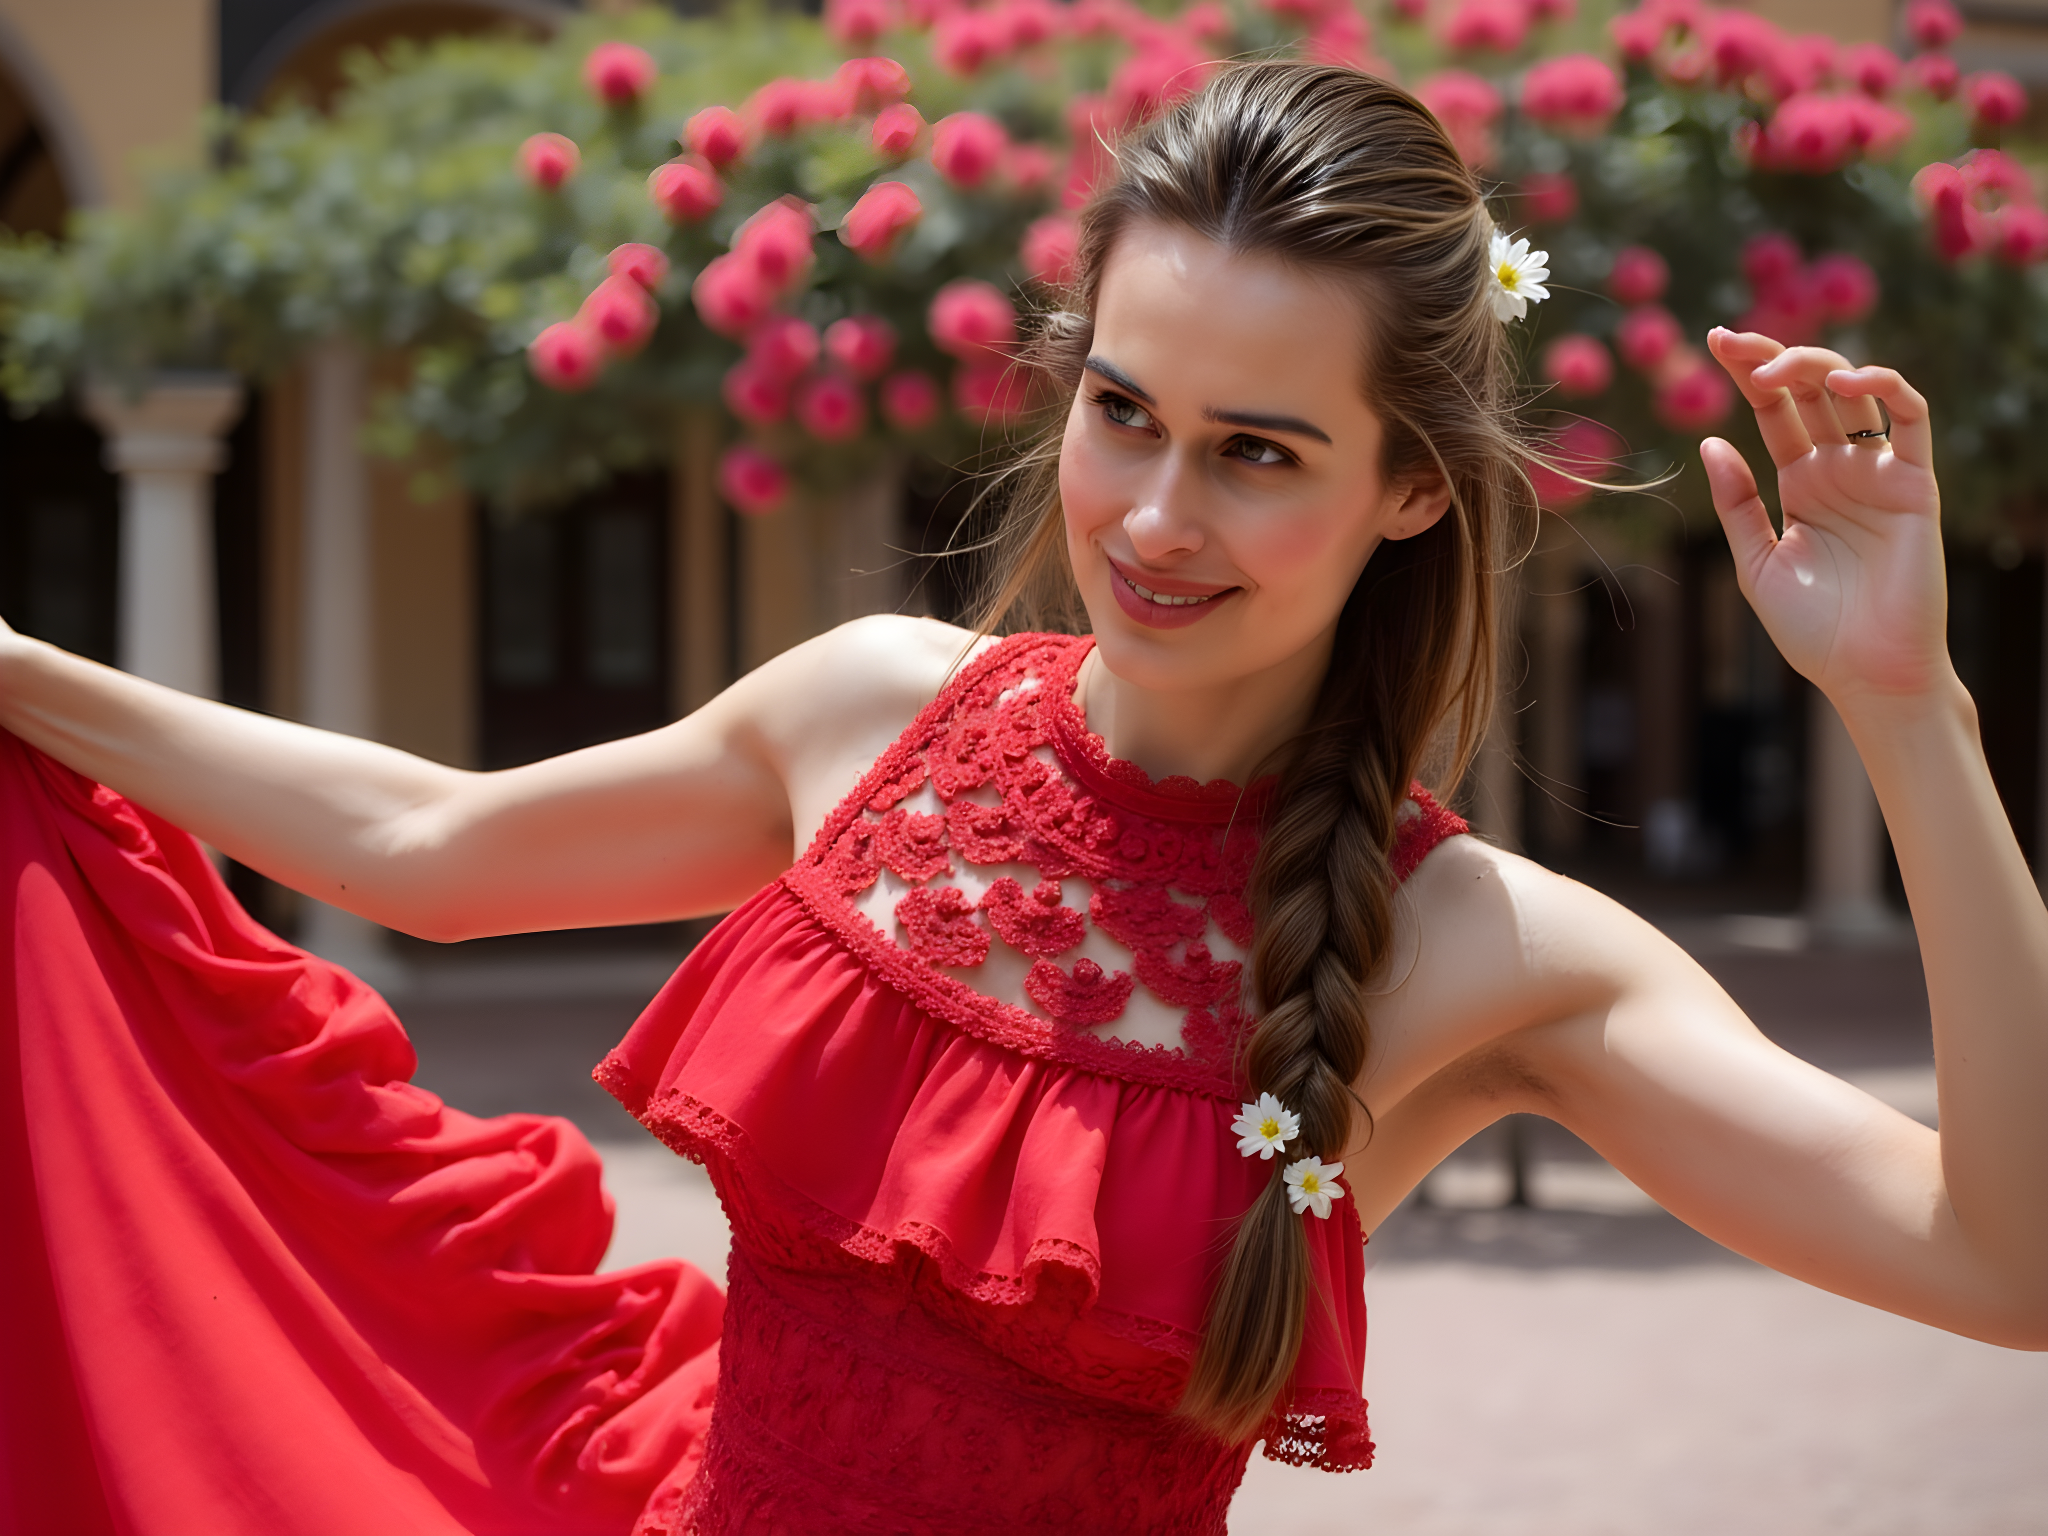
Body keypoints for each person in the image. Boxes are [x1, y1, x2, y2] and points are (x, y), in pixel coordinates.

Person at [2, 59, 2043, 1536]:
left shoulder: (1480, 951)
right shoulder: (873, 712)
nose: (1151, 518)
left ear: (1410, 488)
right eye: (1120, 412)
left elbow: (2003, 1268)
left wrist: (1907, 706)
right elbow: (425, 853)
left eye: (1255, 452)